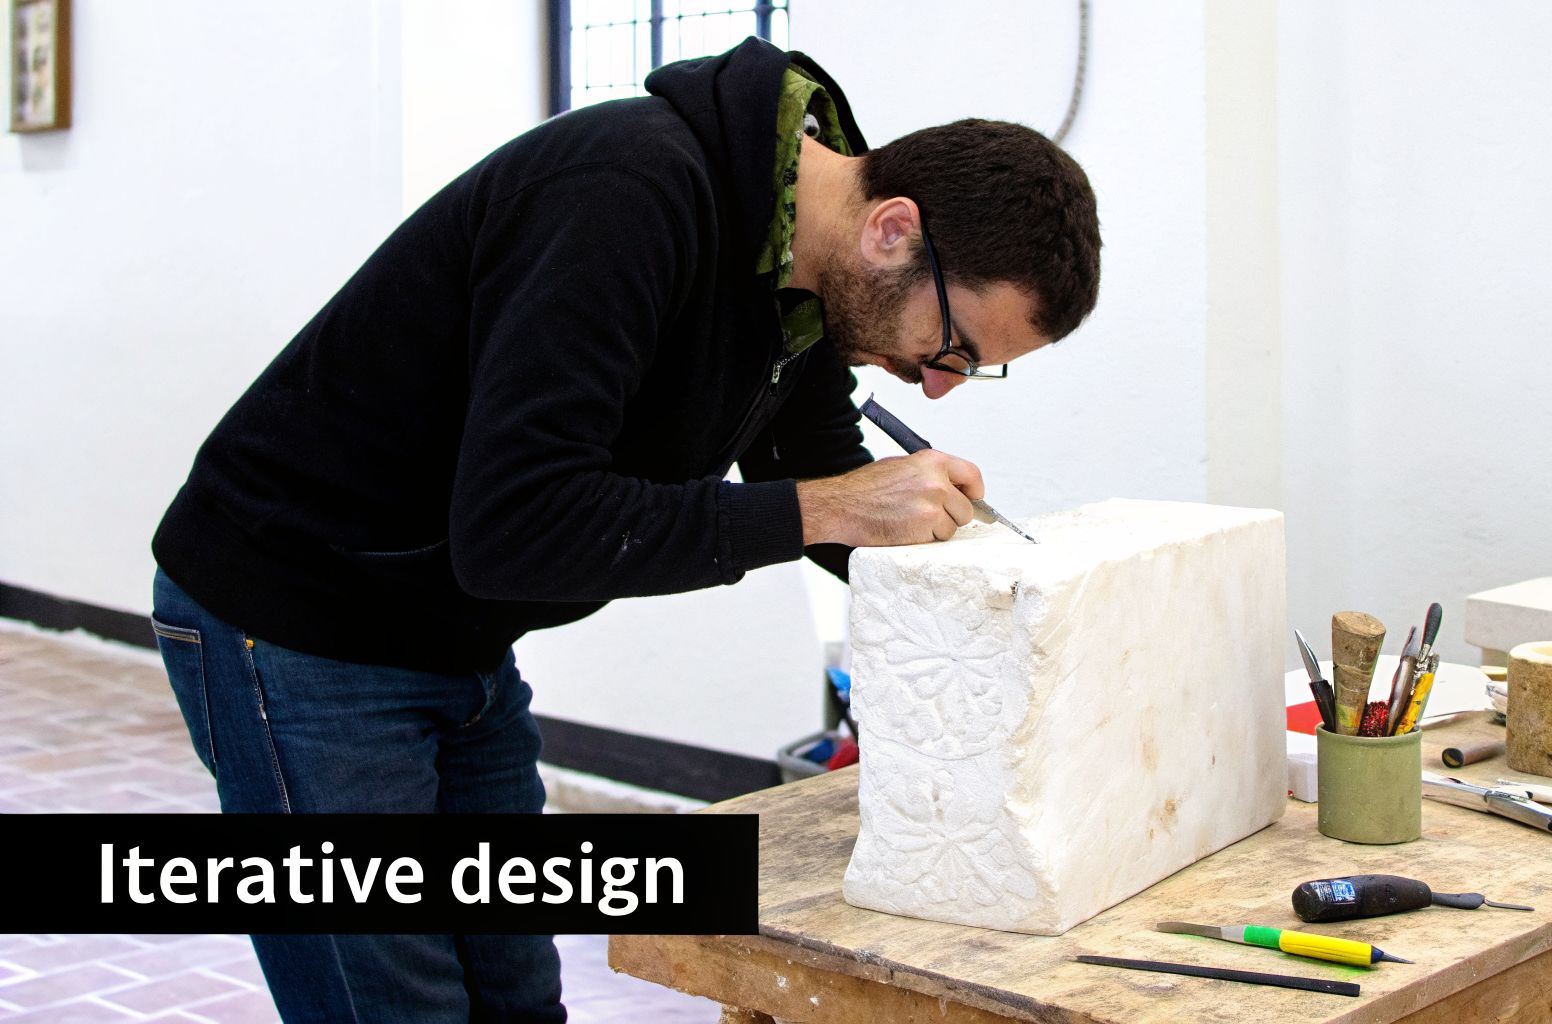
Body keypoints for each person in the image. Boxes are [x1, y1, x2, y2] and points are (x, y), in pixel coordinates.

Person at [147, 36, 1100, 1023]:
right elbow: (519, 524)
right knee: (393, 1004)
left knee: (516, 997)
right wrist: (830, 505)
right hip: (298, 614)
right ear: (893, 230)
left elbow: (816, 482)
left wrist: (1019, 612)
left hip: (455, 631)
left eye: (968, 368)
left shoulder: (805, 277)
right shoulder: (626, 194)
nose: (937, 384)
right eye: (950, 346)